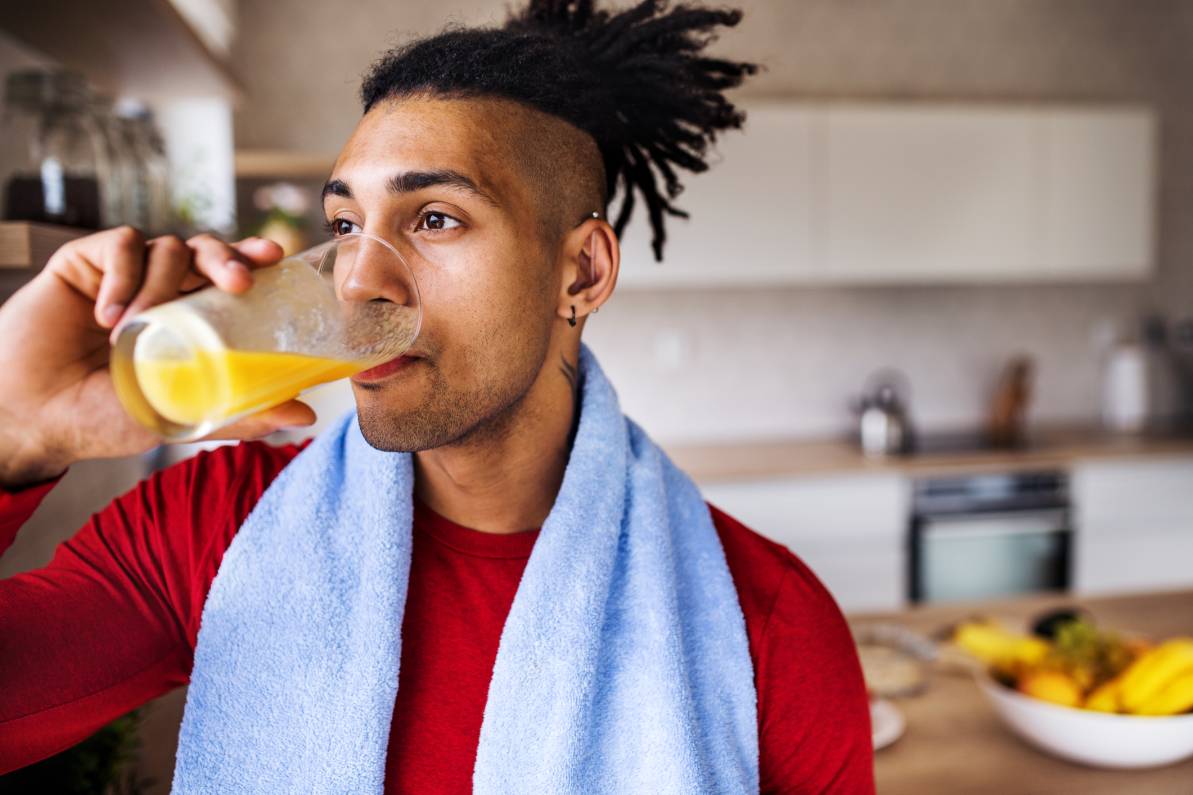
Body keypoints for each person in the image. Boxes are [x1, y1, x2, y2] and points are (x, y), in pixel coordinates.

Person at [0, 1, 872, 792]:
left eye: (435, 219)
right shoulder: (214, 528)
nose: (357, 279)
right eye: (345, 226)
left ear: (582, 270)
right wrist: (14, 430)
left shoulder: (765, 622)